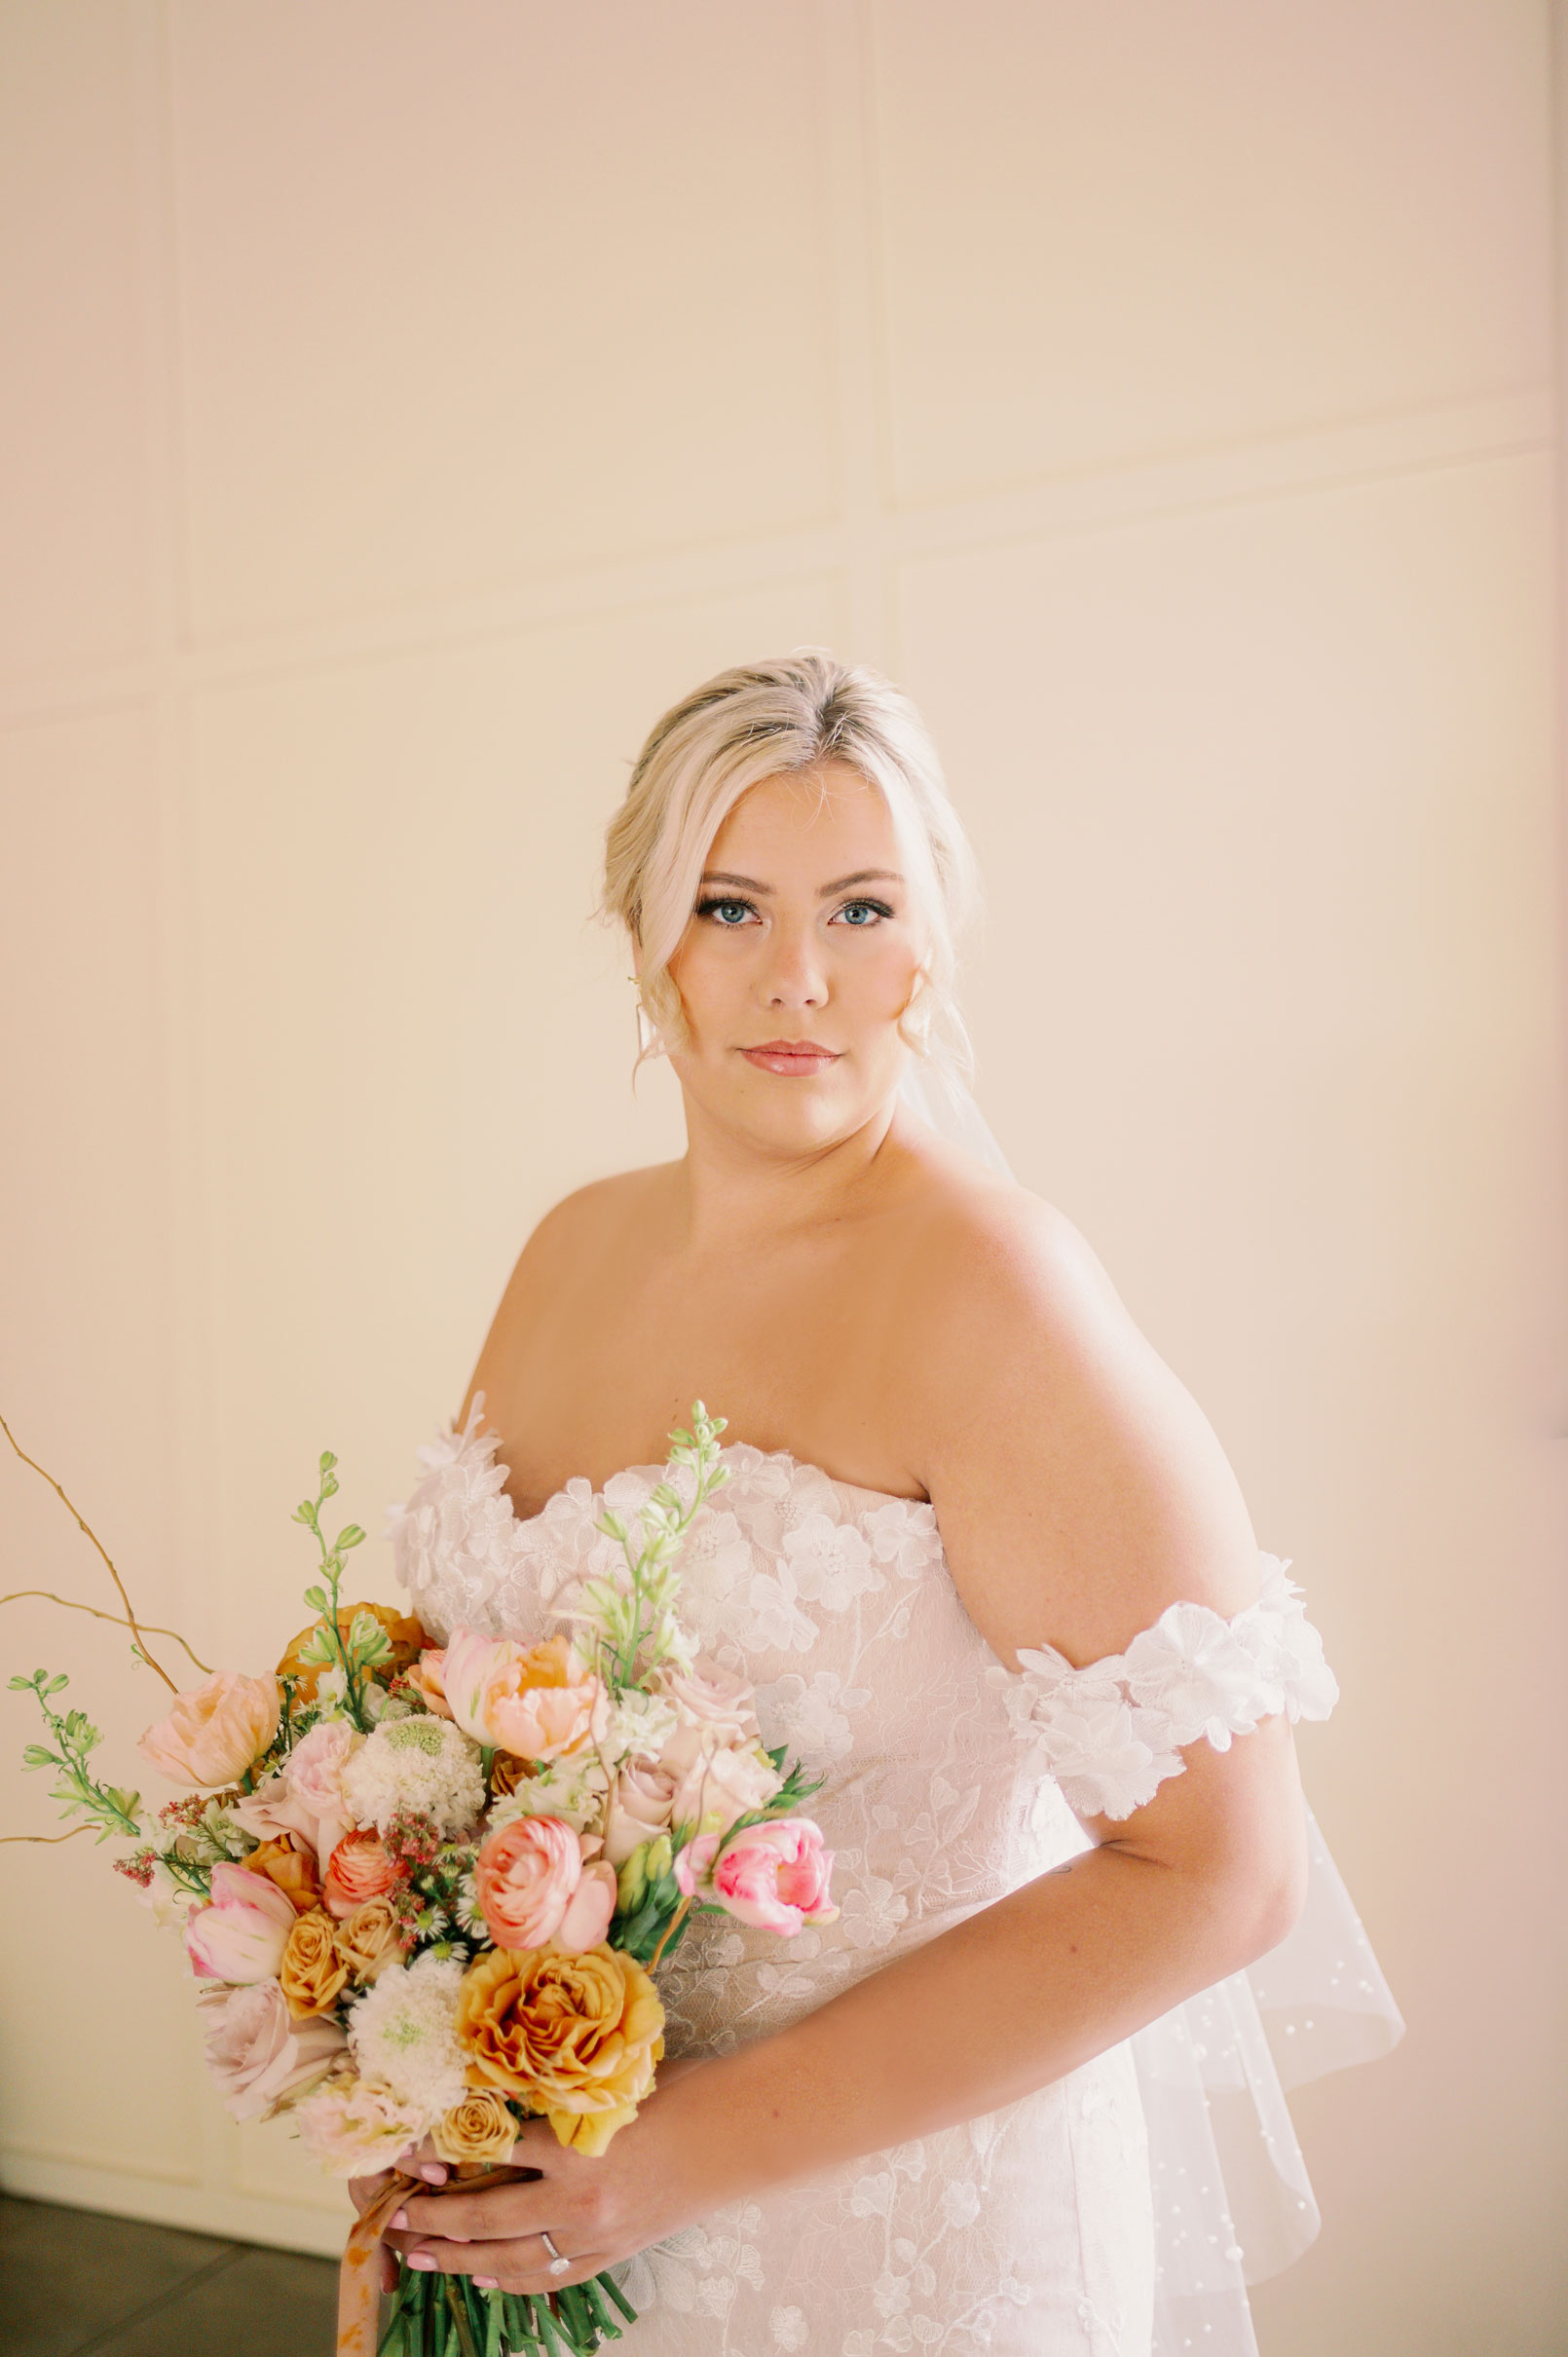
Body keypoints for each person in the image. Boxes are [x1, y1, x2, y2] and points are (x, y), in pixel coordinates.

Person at [352, 651, 1401, 2356]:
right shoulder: (569, 1248)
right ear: (644, 944)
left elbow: (1222, 1874)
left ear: (933, 941)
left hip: (885, 2229)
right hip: (564, 2201)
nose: (799, 982)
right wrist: (417, 2051)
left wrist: (670, 2158)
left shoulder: (993, 1293)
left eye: (858, 909)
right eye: (727, 907)